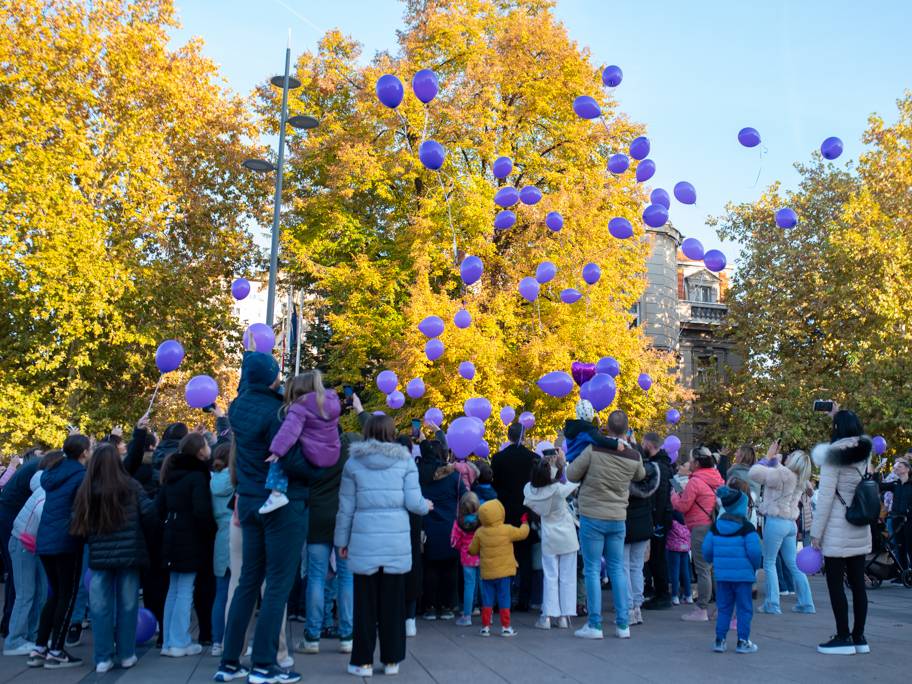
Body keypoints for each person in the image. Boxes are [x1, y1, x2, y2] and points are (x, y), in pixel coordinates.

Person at [216, 355, 316, 684]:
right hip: (280, 504)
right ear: (271, 377)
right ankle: (263, 663)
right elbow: (291, 459)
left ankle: (230, 661)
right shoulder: (277, 412)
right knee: (276, 585)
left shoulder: (237, 407)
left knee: (247, 582)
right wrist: (318, 466)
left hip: (248, 500)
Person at [334, 414, 431, 678]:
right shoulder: (405, 461)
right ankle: (391, 660)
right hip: (395, 540)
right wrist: (426, 506)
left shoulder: (353, 463)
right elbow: (414, 502)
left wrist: (342, 541)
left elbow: (346, 507)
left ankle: (362, 661)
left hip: (364, 538)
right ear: (391, 432)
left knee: (364, 604)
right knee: (393, 604)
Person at [70, 443, 156, 672]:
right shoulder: (131, 485)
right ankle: (127, 654)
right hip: (129, 555)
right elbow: (149, 513)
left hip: (99, 557)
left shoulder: (87, 489)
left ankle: (103, 657)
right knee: (128, 606)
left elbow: (77, 522)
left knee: (100, 609)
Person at [567, 409, 645, 640]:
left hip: (592, 516)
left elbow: (571, 474)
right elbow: (640, 475)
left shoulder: (593, 450)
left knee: (591, 569)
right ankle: (623, 624)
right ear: (627, 429)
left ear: (607, 428)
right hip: (618, 518)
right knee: (617, 569)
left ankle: (595, 624)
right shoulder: (633, 456)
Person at [811, 408, 874, 655]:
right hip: (859, 523)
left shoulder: (833, 455)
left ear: (837, 429)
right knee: (858, 584)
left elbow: (826, 497)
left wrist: (816, 533)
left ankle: (842, 636)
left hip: (837, 526)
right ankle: (859, 637)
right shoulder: (865, 451)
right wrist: (838, 416)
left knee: (835, 584)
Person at [29, 433, 90, 668]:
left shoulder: (53, 473)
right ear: (84, 452)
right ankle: (56, 650)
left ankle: (40, 647)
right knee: (68, 594)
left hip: (46, 539)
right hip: (67, 540)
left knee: (55, 594)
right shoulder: (80, 475)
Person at [297, 413, 355, 656]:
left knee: (316, 577)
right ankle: (347, 635)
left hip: (316, 518)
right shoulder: (348, 456)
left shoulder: (310, 453)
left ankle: (312, 636)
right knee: (346, 578)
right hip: (342, 519)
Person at [158, 432, 215, 657]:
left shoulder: (171, 473)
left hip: (172, 534)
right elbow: (201, 511)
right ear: (200, 451)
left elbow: (159, 508)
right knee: (185, 589)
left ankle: (168, 641)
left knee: (173, 589)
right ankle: (180, 640)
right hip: (190, 537)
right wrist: (210, 530)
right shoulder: (197, 476)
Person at [262, 370, 341, 515]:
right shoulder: (330, 403)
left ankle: (276, 493)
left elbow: (289, 431)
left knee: (277, 462)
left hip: (312, 454)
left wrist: (276, 451)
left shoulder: (300, 406)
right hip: (331, 455)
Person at [749, 445, 816, 615]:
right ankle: (806, 603)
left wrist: (767, 457)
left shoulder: (784, 474)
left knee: (769, 562)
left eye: (792, 456)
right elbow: (779, 473)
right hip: (791, 523)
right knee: (793, 564)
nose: (788, 457)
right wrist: (774, 462)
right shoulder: (801, 478)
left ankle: (772, 603)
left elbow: (754, 473)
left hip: (776, 521)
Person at [4, 451, 57, 656]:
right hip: (23, 544)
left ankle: (34, 636)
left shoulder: (46, 485)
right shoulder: (46, 492)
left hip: (33, 545)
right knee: (26, 594)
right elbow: (46, 518)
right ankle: (14, 641)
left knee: (40, 592)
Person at [702, 486, 762, 654]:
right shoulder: (747, 527)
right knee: (744, 609)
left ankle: (719, 640)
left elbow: (706, 549)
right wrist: (754, 566)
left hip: (722, 575)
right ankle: (743, 641)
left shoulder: (716, 527)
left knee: (724, 607)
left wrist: (712, 561)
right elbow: (755, 552)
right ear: (741, 507)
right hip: (743, 577)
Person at [523, 453, 579, 630]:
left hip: (549, 537)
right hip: (567, 536)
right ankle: (564, 617)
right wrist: (562, 462)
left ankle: (547, 616)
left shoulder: (529, 491)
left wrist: (552, 466)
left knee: (550, 576)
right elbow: (574, 478)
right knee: (568, 577)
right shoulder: (559, 490)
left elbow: (542, 480)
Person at [671, 446, 723, 622]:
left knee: (702, 569)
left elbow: (682, 506)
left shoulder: (695, 482)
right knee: (713, 569)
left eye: (692, 460)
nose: (690, 463)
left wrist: (674, 495)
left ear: (698, 463)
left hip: (700, 527)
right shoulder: (717, 478)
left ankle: (701, 609)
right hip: (714, 525)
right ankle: (721, 607)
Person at [491, 423, 537, 611]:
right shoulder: (533, 458)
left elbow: (495, 484)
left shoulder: (498, 459)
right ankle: (524, 599)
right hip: (525, 511)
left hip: (505, 512)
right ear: (523, 437)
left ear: (509, 436)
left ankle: (502, 599)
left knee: (502, 555)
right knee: (525, 558)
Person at [418, 440, 465, 620]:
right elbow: (464, 496)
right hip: (449, 527)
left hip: (427, 525)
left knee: (430, 568)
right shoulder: (453, 476)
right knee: (450, 568)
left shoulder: (419, 475)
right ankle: (447, 605)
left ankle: (429, 606)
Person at [468, 499, 530, 637]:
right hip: (504, 574)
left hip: (487, 574)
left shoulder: (480, 532)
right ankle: (506, 627)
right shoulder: (507, 529)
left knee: (487, 600)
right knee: (504, 599)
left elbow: (472, 550)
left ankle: (485, 627)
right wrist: (525, 523)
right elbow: (522, 533)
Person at [0, 447, 44, 640]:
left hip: (8, 515)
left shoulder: (34, 466)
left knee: (16, 577)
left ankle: (10, 626)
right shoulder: (40, 470)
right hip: (11, 519)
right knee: (19, 579)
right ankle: (12, 630)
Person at [623, 457, 660, 627]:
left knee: (623, 567)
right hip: (644, 525)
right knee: (637, 567)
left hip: (625, 525)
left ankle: (629, 607)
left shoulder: (623, 479)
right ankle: (637, 606)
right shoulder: (649, 481)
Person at [640, 433, 674, 610]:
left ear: (649, 444)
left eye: (643, 443)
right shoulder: (664, 463)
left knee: (657, 557)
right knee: (656, 557)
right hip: (661, 516)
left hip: (659, 518)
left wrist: (656, 521)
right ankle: (660, 592)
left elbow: (660, 496)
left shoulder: (658, 466)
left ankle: (662, 595)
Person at [209, 444, 233, 657]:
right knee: (238, 593)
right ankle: (233, 639)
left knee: (221, 592)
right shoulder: (235, 479)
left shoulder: (212, 479)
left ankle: (217, 640)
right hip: (236, 533)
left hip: (220, 535)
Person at [450, 492, 481, 626]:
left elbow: (454, 542)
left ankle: (467, 616)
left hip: (467, 557)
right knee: (484, 586)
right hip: (481, 555)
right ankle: (488, 615)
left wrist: (462, 547)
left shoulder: (458, 522)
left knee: (469, 585)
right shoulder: (482, 521)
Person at [878, 455, 911, 569]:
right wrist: (877, 470)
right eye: (896, 467)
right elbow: (879, 486)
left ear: (907, 469)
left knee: (910, 547)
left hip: (909, 521)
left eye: (899, 466)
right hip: (896, 519)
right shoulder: (895, 484)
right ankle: (903, 573)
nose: (896, 468)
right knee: (899, 547)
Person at [666, 510, 692, 604]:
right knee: (685, 572)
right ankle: (689, 596)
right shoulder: (685, 524)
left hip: (674, 549)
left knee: (675, 572)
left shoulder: (671, 524)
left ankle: (675, 596)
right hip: (685, 548)